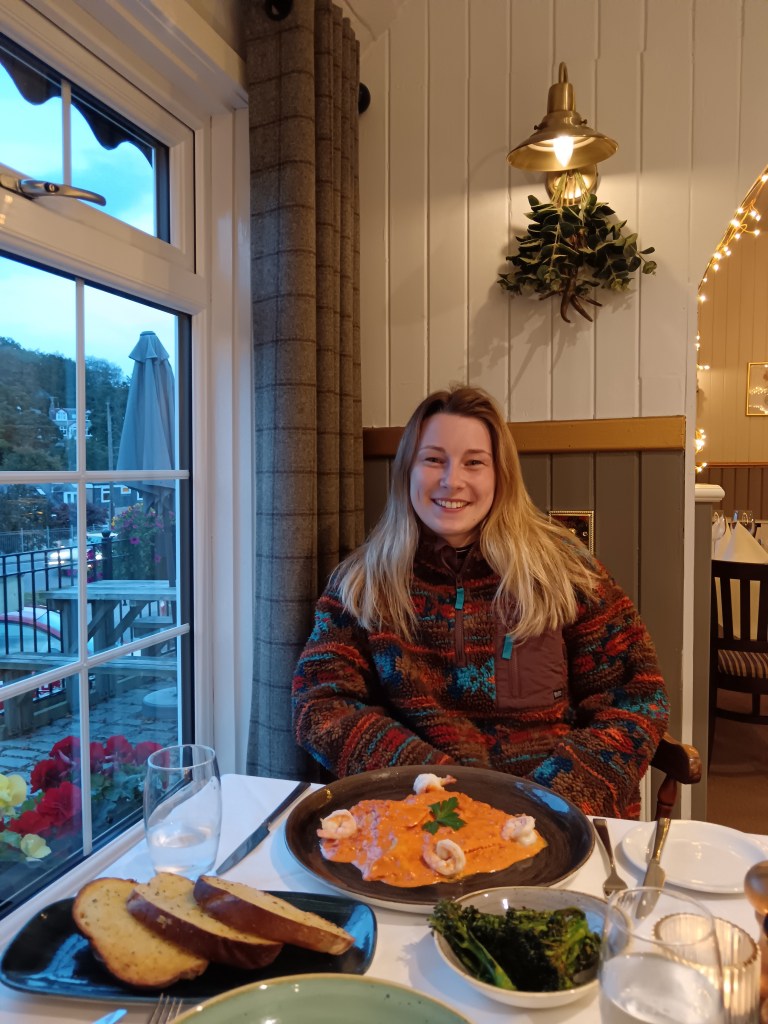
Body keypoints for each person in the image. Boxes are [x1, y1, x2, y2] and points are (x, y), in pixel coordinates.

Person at [292, 385, 669, 818]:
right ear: (407, 472)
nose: (452, 480)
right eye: (433, 459)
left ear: (499, 475)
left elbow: (637, 697)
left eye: (474, 462)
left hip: (556, 818)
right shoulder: (360, 585)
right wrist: (435, 787)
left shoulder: (565, 571)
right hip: (419, 817)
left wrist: (549, 801)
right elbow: (320, 704)